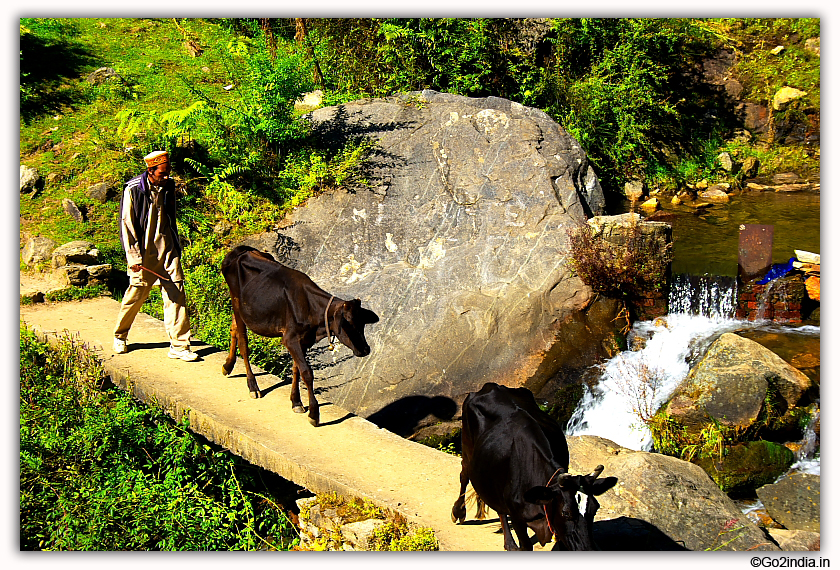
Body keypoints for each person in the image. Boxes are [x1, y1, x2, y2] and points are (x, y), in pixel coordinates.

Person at [113, 150, 198, 361]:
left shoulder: (168, 186)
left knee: (176, 292)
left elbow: (171, 217)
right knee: (137, 294)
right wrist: (134, 258)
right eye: (162, 172)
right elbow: (127, 225)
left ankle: (179, 345)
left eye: (168, 172)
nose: (167, 176)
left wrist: (175, 247)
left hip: (167, 247)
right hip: (144, 251)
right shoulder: (133, 189)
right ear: (151, 170)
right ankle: (120, 335)